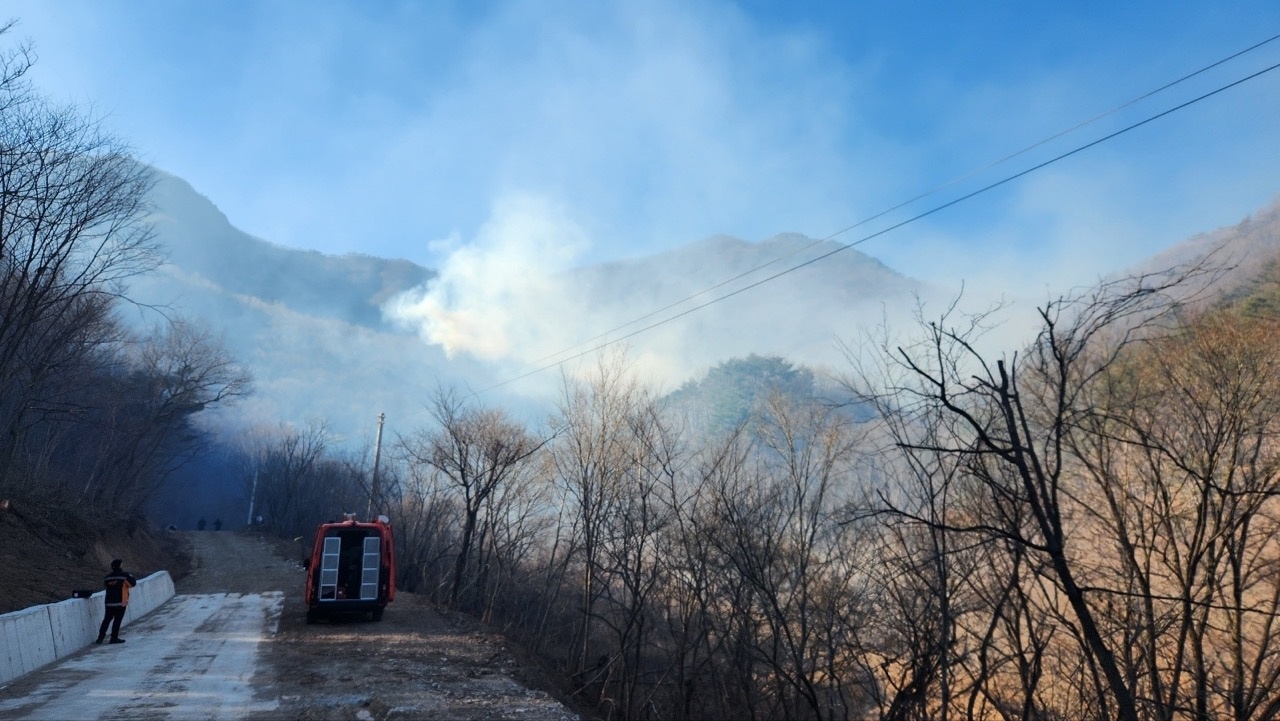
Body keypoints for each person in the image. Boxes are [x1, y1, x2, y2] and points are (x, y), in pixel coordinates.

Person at [96, 559, 137, 645]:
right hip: (120, 602)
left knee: (106, 620)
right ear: (120, 565)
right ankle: (114, 638)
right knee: (117, 620)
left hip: (109, 602)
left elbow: (105, 585)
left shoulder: (107, 577)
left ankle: (100, 638)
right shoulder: (124, 575)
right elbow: (133, 583)